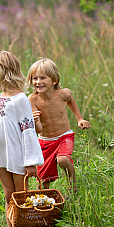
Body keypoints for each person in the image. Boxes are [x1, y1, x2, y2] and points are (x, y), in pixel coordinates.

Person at [0, 51, 44, 227]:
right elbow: (3, 122)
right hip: (1, 153)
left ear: (3, 72)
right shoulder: (1, 96)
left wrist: (30, 162)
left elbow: (28, 131)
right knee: (8, 194)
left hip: (17, 154)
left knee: (21, 194)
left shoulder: (21, 99)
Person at [27, 58, 90, 190]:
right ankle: (45, 202)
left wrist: (80, 119)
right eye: (35, 78)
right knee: (43, 183)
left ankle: (73, 187)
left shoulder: (63, 94)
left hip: (64, 137)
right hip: (45, 141)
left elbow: (70, 101)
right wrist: (33, 120)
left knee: (63, 160)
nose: (38, 82)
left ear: (54, 80)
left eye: (43, 78)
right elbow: (38, 130)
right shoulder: (33, 99)